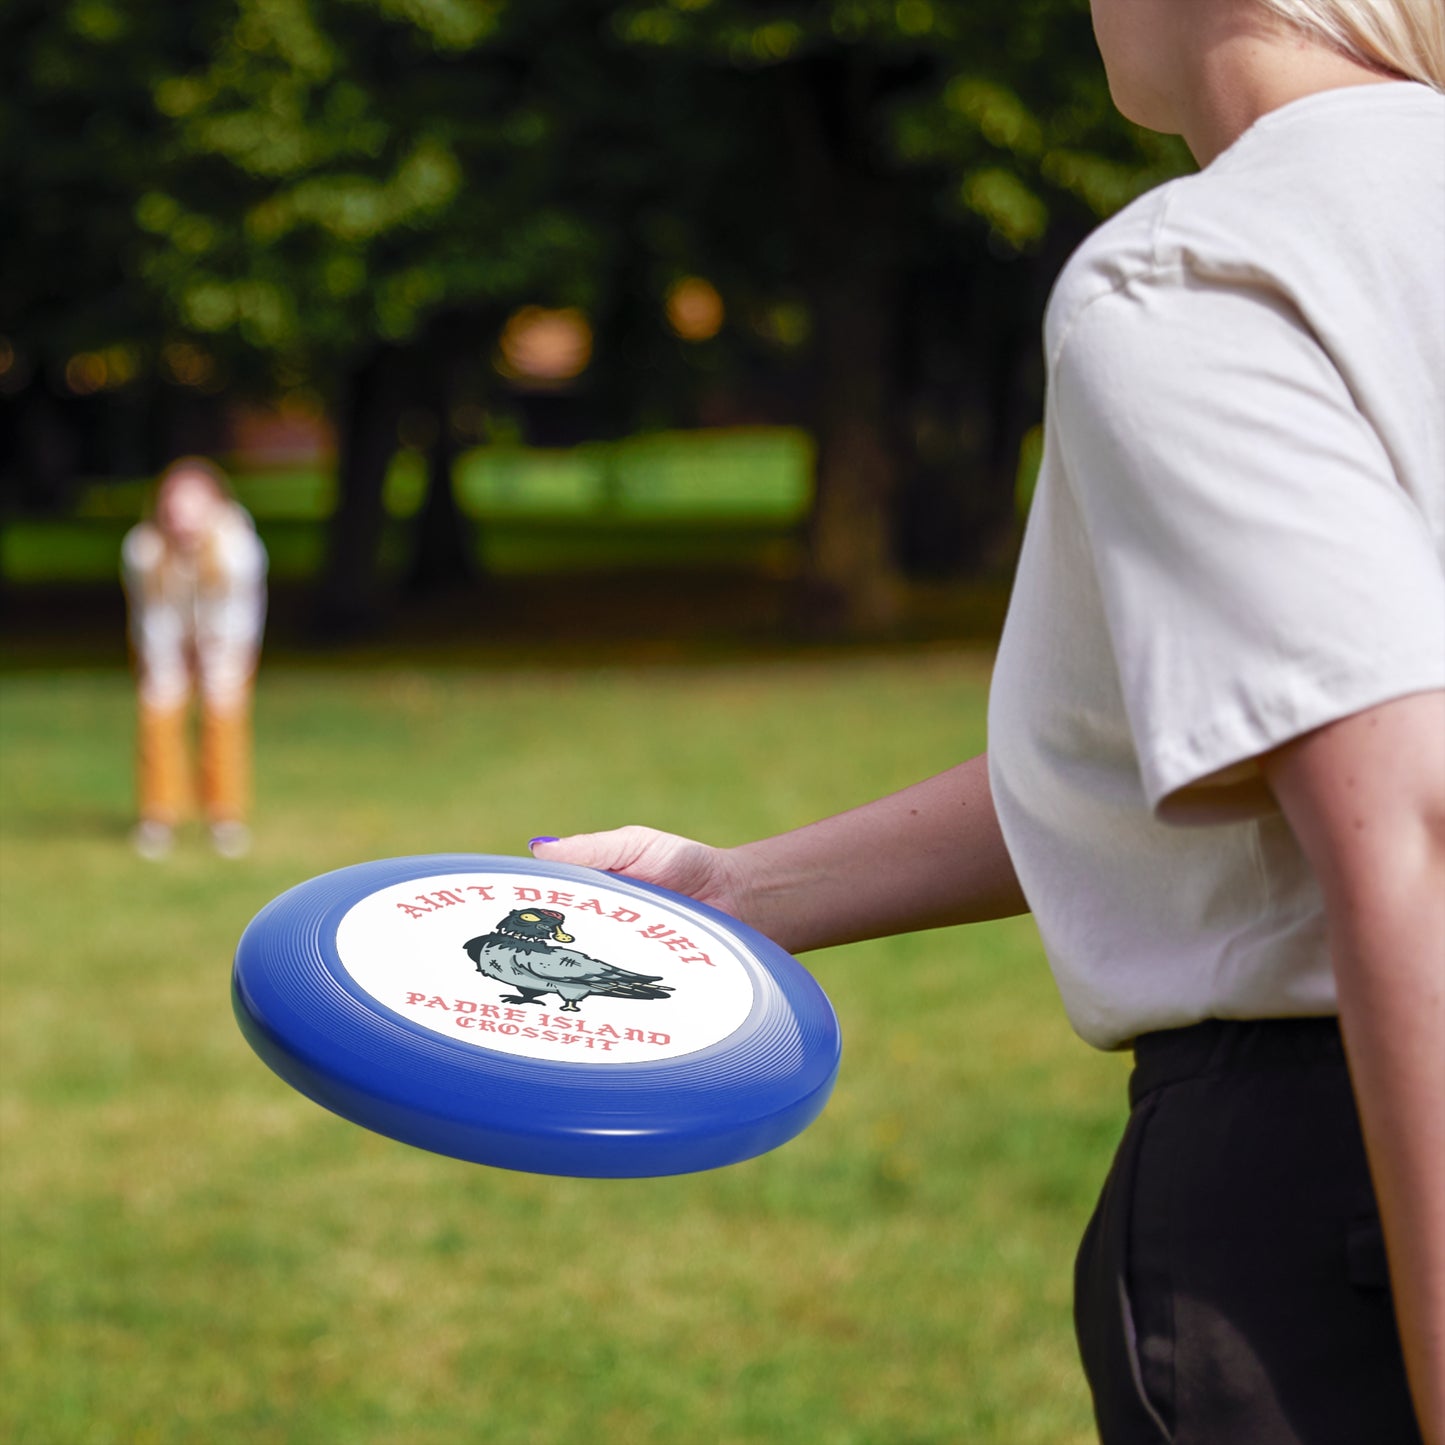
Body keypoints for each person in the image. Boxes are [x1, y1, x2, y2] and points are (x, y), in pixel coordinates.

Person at [528, 2, 1445, 1441]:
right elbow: (1224, 739)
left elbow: (1408, 821)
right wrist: (740, 891)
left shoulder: (1204, 269)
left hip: (1343, 1189)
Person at [121, 457, 268, 860]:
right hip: (165, 640)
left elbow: (239, 616)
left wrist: (215, 659)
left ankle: (225, 817)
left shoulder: (239, 549)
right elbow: (152, 616)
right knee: (158, 713)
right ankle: (158, 816)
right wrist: (168, 664)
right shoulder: (143, 549)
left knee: (223, 717)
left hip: (226, 642)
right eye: (174, 506)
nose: (182, 517)